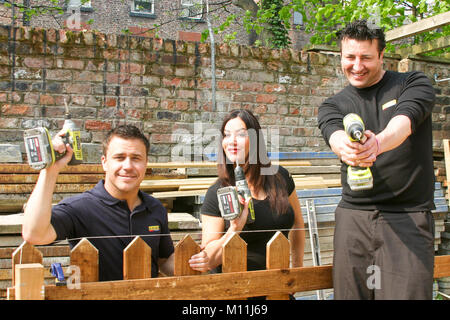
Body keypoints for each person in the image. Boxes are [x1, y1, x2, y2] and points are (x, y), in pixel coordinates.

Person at [317, 20, 436, 299]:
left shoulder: (413, 83)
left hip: (407, 215)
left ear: (382, 56)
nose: (357, 66)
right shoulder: (333, 104)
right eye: (350, 57)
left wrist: (377, 143)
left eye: (366, 58)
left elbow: (404, 122)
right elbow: (332, 133)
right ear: (341, 56)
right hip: (354, 217)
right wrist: (345, 148)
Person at [22, 124, 177, 281]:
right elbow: (34, 234)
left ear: (146, 164)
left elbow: (163, 261)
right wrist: (50, 169)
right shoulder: (80, 208)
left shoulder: (155, 208)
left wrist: (194, 261)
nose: (128, 166)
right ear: (104, 162)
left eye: (136, 158)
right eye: (119, 157)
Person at [188, 109, 305, 276]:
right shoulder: (218, 193)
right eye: (227, 135)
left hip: (279, 286)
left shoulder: (281, 177)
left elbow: (298, 224)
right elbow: (209, 260)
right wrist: (234, 228)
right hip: (237, 289)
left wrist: (298, 266)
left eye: (241, 135)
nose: (231, 141)